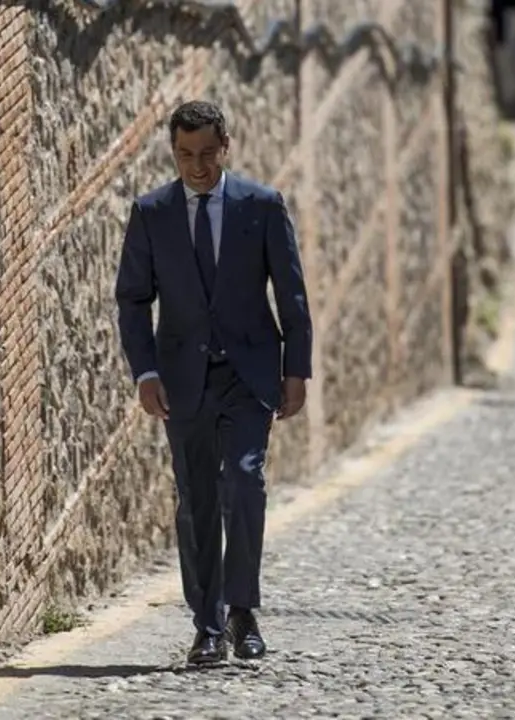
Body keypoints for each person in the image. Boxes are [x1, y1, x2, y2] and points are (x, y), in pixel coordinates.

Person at [114, 100, 313, 665]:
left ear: (226, 145)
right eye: (184, 155)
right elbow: (132, 300)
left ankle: (242, 610)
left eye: (205, 153)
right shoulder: (151, 212)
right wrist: (145, 371)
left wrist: (295, 369)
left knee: (244, 482)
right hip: (182, 381)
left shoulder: (263, 206)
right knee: (196, 497)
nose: (196, 166)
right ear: (173, 153)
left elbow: (291, 295)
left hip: (249, 375)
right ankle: (207, 625)